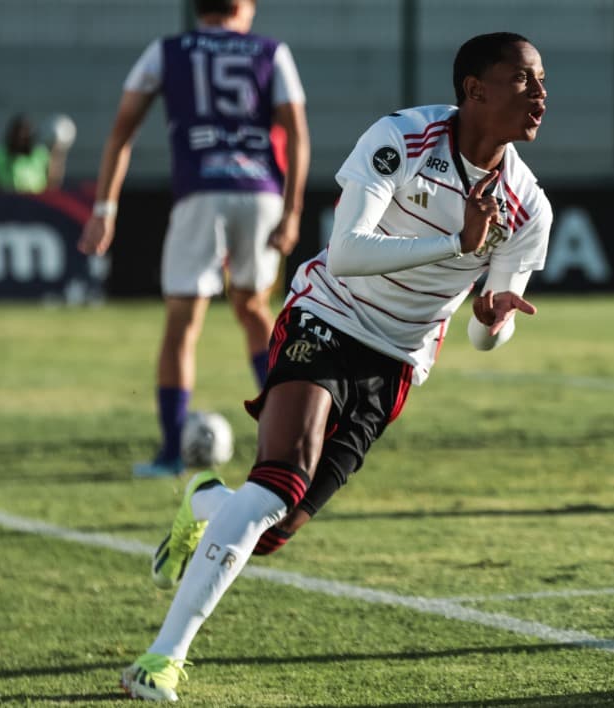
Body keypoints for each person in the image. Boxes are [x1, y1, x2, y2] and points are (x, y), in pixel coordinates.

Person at [119, 32, 551, 701]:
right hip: (328, 314)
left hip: (399, 360)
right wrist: (452, 241)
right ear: (474, 89)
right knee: (279, 477)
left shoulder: (529, 206)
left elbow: (484, 334)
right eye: (522, 79)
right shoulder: (402, 138)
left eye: (542, 80)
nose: (540, 94)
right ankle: (162, 657)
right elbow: (346, 252)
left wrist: (491, 319)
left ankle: (203, 500)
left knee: (274, 528)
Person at [78, 0, 310, 477]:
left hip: (200, 192)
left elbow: (122, 130)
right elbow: (298, 134)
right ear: (244, 8)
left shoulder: (167, 51)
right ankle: (284, 442)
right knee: (253, 311)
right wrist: (292, 212)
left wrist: (105, 208)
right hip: (259, 193)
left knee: (183, 324)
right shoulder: (271, 51)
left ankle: (169, 455)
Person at [0, 113, 72, 193]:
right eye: (17, 133)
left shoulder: (41, 156)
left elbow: (53, 183)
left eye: (25, 132)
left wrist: (58, 154)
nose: (20, 137)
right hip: (4, 204)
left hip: (33, 203)